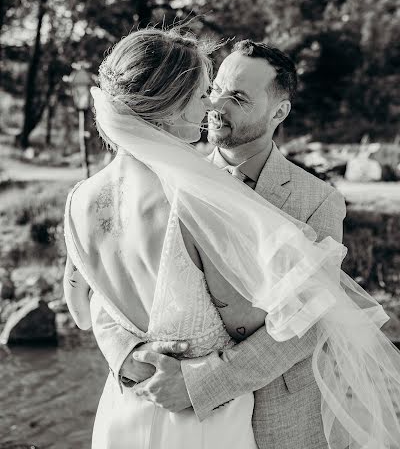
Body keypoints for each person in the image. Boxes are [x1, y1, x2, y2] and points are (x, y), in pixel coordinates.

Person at [64, 29, 400, 449]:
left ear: (279, 113)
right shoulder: (177, 186)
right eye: (214, 89)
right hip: (173, 409)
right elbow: (99, 304)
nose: (216, 105)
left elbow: (313, 322)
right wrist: (130, 357)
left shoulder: (319, 200)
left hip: (282, 417)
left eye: (237, 98)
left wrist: (202, 383)